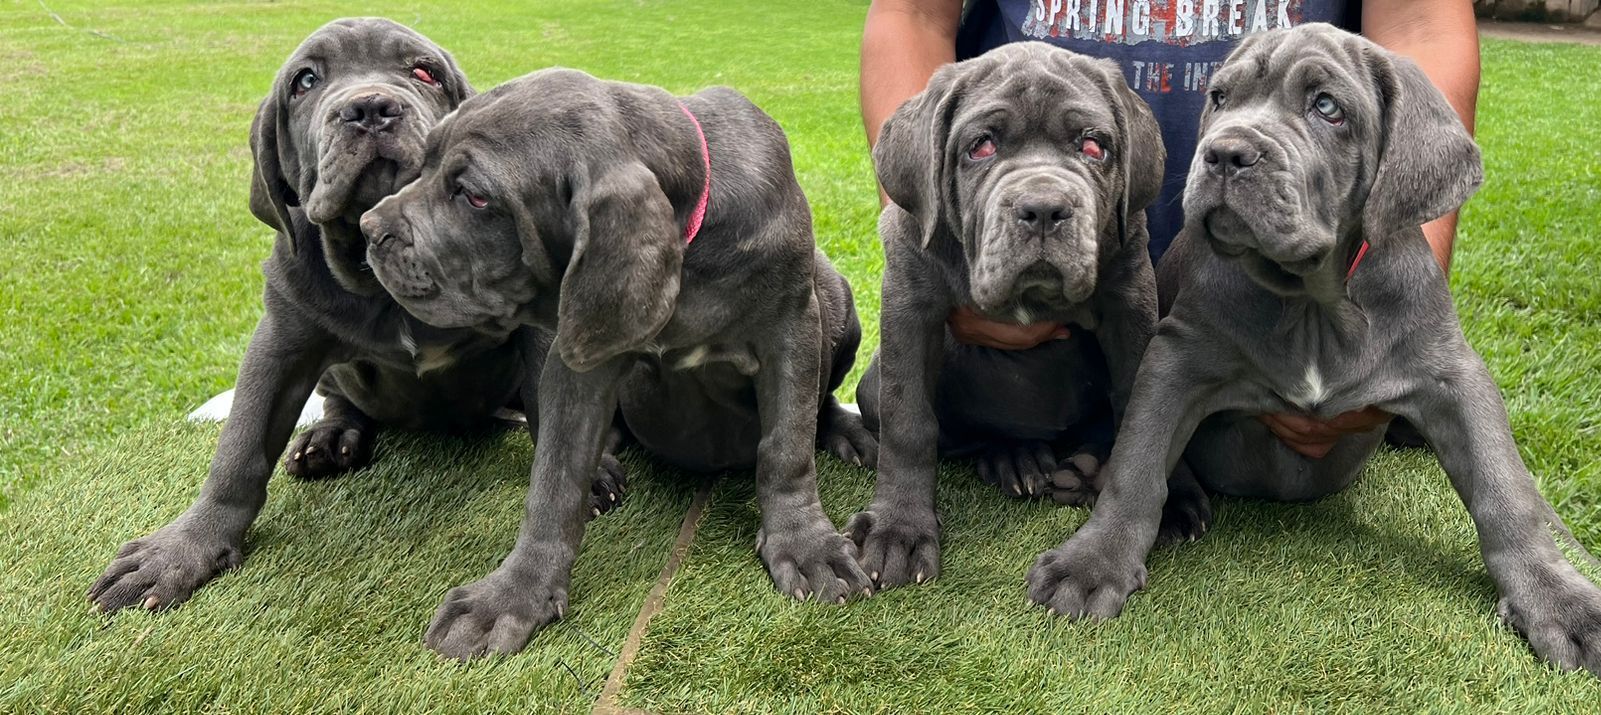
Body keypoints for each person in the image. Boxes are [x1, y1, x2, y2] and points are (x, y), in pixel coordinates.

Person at [860, 0, 1480, 458]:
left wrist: (1393, 317)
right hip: (1025, 320)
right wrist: (944, 251)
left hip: (1267, 297)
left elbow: (1421, 27)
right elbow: (911, 16)